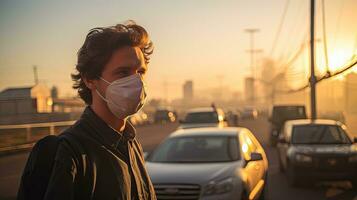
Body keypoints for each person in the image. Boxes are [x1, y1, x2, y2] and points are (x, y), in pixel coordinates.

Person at [18, 21, 156, 200]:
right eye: (123, 72)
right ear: (90, 79)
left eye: (141, 72)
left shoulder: (131, 145)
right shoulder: (68, 153)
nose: (136, 82)